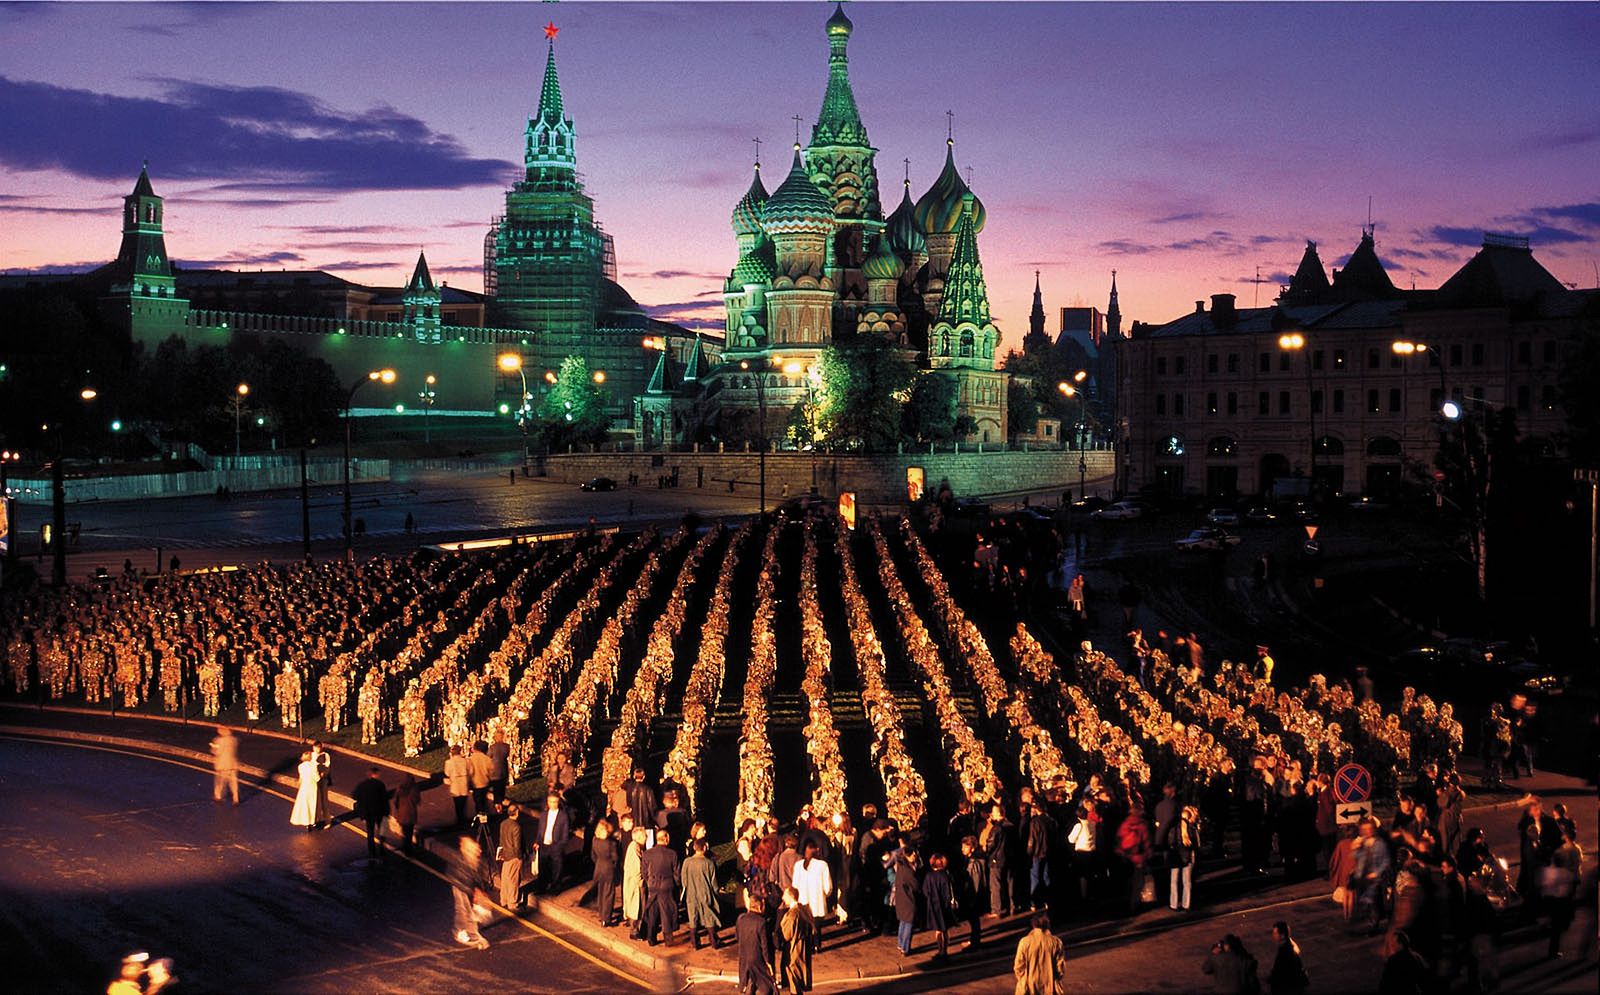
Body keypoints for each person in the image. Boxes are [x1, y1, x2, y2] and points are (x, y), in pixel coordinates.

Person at [641, 829, 682, 945]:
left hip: (653, 886)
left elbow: (644, 872)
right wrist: (677, 885)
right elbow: (676, 873)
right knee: (667, 913)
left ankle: (651, 938)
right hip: (667, 886)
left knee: (652, 913)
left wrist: (649, 881)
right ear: (666, 839)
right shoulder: (672, 854)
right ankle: (668, 940)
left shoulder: (647, 854)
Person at [450, 835, 491, 949]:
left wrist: (480, 891)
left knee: (462, 910)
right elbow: (468, 880)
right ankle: (474, 937)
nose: (480, 851)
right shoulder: (466, 862)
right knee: (466, 910)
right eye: (477, 849)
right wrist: (476, 893)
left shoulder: (475, 861)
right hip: (461, 887)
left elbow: (478, 878)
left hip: (464, 887)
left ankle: (460, 930)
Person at [1012, 912, 1067, 995]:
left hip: (1029, 986)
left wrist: (1023, 979)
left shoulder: (1024, 942)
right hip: (1050, 986)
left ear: (1033, 925)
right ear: (1047, 925)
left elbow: (1018, 966)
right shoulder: (1056, 942)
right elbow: (1060, 968)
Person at [683, 838, 723, 949]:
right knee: (709, 916)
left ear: (694, 848)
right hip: (706, 893)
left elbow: (684, 880)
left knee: (693, 917)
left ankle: (695, 942)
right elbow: (713, 883)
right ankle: (713, 941)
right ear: (704, 848)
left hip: (691, 894)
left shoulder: (687, 862)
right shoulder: (709, 863)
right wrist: (717, 892)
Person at [738, 895, 778, 995]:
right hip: (757, 958)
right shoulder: (761, 922)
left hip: (744, 957)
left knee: (749, 981)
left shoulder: (740, 919)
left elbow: (737, 936)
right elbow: (764, 945)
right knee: (766, 985)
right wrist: (768, 962)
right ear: (760, 907)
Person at [778, 886, 815, 992]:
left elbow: (787, 934)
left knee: (794, 981)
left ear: (791, 896)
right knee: (799, 978)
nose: (783, 898)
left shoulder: (793, 914)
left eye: (785, 895)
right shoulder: (804, 910)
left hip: (794, 951)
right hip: (802, 949)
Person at [921, 852, 956, 961]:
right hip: (944, 906)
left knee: (938, 930)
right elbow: (948, 892)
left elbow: (925, 891)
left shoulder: (929, 876)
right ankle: (945, 951)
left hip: (933, 906)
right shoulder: (946, 875)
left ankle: (940, 950)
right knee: (945, 930)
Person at [350, 766, 390, 859]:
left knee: (370, 832)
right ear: (374, 774)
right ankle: (382, 848)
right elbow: (384, 799)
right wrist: (387, 812)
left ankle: (372, 852)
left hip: (368, 812)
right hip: (379, 811)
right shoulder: (380, 784)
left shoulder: (362, 785)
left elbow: (354, 795)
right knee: (382, 831)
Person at [533, 791, 570, 891]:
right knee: (543, 867)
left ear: (558, 802)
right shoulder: (544, 814)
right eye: (550, 801)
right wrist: (537, 841)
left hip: (556, 845)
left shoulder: (563, 816)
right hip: (543, 845)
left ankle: (555, 887)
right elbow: (540, 830)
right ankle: (542, 887)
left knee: (556, 868)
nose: (552, 804)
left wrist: (560, 846)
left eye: (554, 802)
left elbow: (565, 834)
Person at [981, 804, 1012, 917]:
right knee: (1009, 883)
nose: (991, 815)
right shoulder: (1011, 826)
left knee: (995, 885)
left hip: (996, 859)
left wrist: (986, 850)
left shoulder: (997, 828)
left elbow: (991, 844)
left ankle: (996, 909)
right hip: (1009, 858)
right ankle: (1012, 906)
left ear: (999, 814)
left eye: (993, 812)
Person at [791, 838, 833, 922]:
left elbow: (794, 886)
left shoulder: (798, 865)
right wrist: (824, 895)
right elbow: (828, 888)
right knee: (817, 930)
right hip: (818, 905)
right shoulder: (822, 865)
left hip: (802, 905)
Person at [498, 801, 528, 909]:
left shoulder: (503, 824)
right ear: (517, 812)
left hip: (506, 855)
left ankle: (503, 899)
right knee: (513, 879)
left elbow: (501, 841)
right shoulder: (516, 827)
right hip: (514, 857)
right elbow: (517, 845)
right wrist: (520, 857)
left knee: (505, 878)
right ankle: (512, 902)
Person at [1169, 805, 1200, 911]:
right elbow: (1197, 845)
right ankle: (1186, 904)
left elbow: (1170, 843)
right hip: (1188, 856)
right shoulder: (1193, 829)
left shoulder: (1174, 829)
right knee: (1186, 882)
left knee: (1174, 881)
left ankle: (1173, 904)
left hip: (1176, 857)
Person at [1377, 929, 1427, 994]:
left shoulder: (1393, 960)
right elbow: (1424, 979)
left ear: (1400, 944)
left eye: (1394, 943)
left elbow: (1385, 983)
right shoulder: (1417, 957)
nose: (1392, 945)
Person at [591, 818, 620, 927]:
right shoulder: (611, 844)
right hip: (609, 869)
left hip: (598, 868)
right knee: (609, 894)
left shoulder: (595, 841)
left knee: (601, 892)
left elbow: (593, 856)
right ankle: (606, 918)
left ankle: (601, 914)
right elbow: (615, 858)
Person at [892, 844, 920, 956]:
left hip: (901, 899)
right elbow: (916, 885)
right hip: (908, 900)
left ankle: (900, 944)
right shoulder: (908, 870)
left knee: (903, 923)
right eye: (912, 854)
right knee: (908, 924)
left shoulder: (900, 867)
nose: (915, 856)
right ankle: (905, 947)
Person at [1267, 921, 1309, 994]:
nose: (1273, 935)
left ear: (1282, 936)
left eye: (1275, 933)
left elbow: (1280, 972)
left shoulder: (1285, 952)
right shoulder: (1290, 946)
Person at [289, 750, 321, 831]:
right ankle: (313, 822)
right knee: (313, 804)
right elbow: (317, 778)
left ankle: (306, 822)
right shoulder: (313, 766)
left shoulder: (300, 766)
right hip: (312, 787)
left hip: (304, 787)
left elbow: (301, 778)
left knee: (305, 805)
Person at [623, 826, 647, 936]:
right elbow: (637, 867)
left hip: (633, 881)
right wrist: (641, 881)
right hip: (636, 883)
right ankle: (634, 931)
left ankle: (636, 929)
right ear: (638, 837)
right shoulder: (635, 848)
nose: (646, 837)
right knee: (637, 906)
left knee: (636, 906)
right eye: (644, 836)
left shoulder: (634, 846)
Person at [392, 773, 422, 854]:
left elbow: (395, 801)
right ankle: (408, 849)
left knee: (404, 831)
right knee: (409, 832)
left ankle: (405, 846)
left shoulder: (400, 788)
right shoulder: (414, 788)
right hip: (411, 812)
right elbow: (417, 800)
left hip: (401, 813)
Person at [210, 725, 239, 805]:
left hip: (222, 764)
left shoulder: (219, 740)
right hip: (232, 763)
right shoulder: (234, 740)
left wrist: (213, 747)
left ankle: (218, 796)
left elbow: (217, 752)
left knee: (220, 781)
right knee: (233, 782)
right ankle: (235, 797)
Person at [444, 745, 470, 827]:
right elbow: (470, 770)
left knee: (457, 804)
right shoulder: (466, 761)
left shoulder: (449, 762)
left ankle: (459, 820)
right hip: (464, 783)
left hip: (455, 784)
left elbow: (447, 773)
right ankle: (463, 819)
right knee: (463, 803)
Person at [308, 739, 332, 828]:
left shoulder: (325, 755)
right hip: (313, 780)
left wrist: (323, 773)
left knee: (324, 800)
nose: (317, 750)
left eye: (318, 748)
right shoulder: (311, 755)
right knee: (313, 801)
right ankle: (312, 820)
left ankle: (327, 820)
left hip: (323, 780)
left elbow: (327, 766)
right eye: (315, 748)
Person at [467, 741, 493, 818]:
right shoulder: (487, 759)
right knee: (483, 800)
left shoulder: (470, 759)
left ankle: (480, 817)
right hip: (485, 783)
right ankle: (484, 815)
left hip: (475, 783)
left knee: (477, 801)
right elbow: (491, 772)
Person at [487, 729, 510, 806]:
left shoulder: (492, 747)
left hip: (494, 771)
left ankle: (497, 804)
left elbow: (488, 757)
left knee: (496, 789)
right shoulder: (507, 747)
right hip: (503, 770)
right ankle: (501, 802)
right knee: (501, 788)